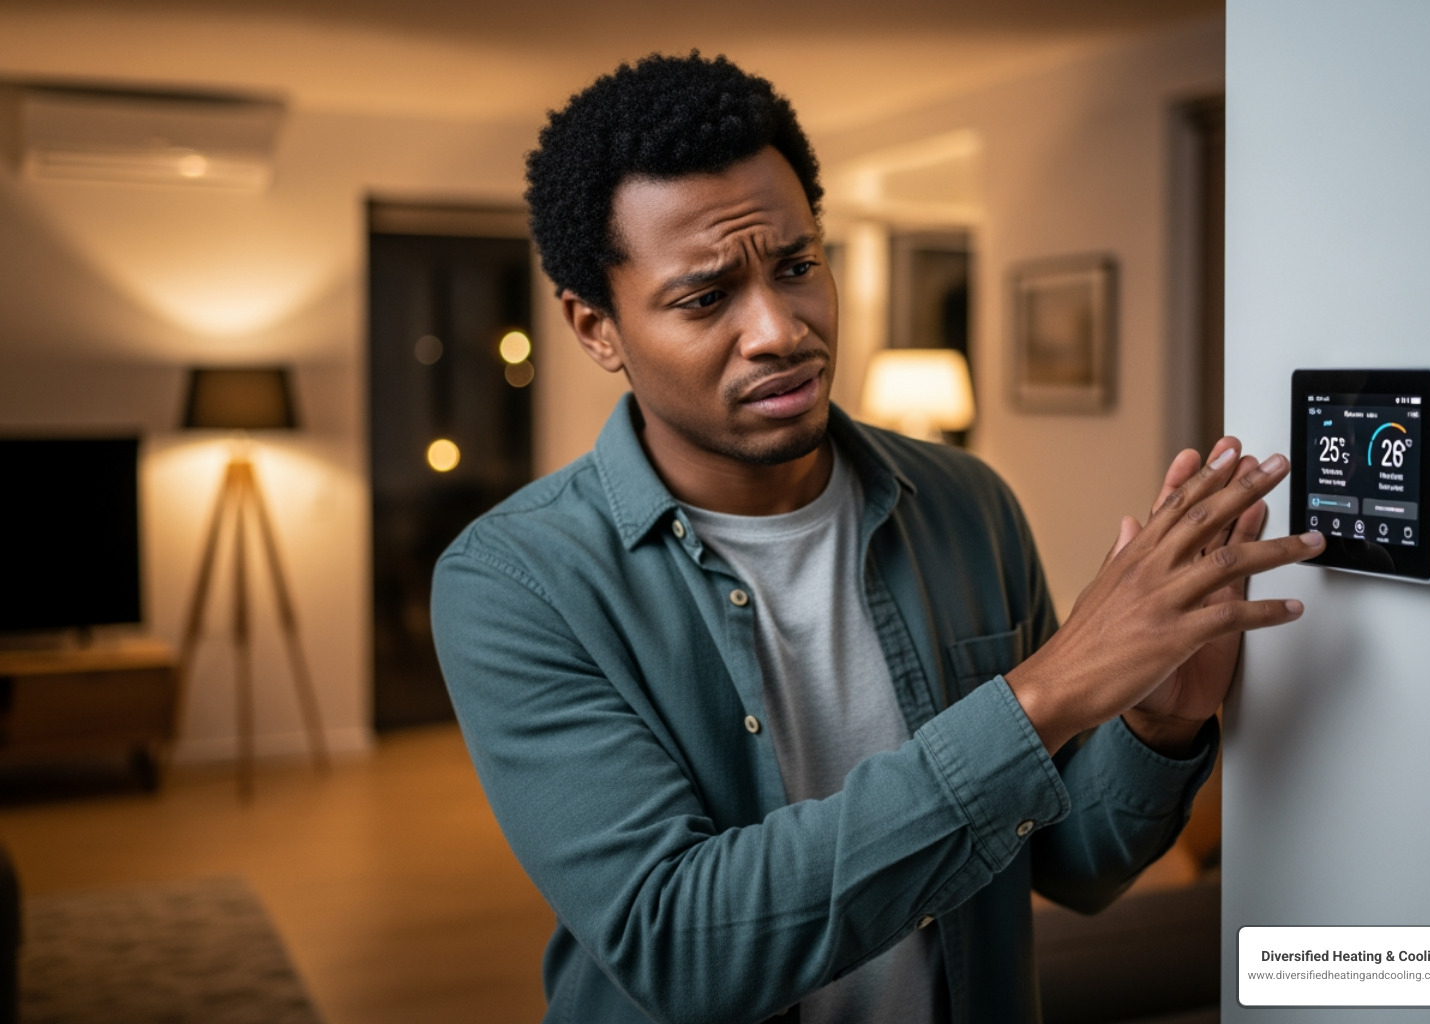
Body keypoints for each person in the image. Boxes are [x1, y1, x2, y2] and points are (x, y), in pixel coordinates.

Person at [431, 52, 1322, 1024]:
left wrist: (1160, 721)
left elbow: (1073, 865)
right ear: (596, 328)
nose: (778, 328)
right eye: (704, 297)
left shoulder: (968, 504)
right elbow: (679, 944)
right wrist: (1049, 692)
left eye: (798, 266)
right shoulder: (515, 582)